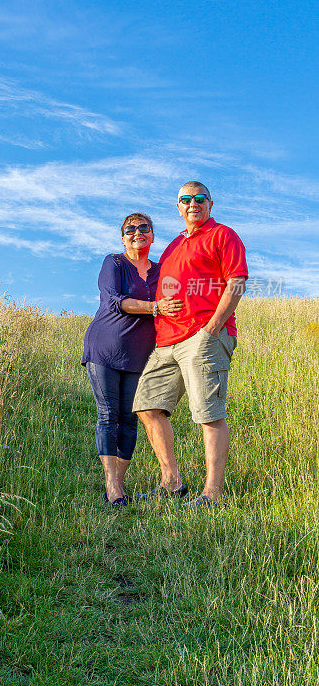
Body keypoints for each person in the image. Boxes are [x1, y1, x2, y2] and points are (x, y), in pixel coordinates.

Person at [133, 181, 248, 508]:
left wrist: (210, 330)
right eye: (186, 199)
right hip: (167, 341)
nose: (192, 203)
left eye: (199, 198)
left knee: (208, 413)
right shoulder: (173, 245)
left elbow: (236, 282)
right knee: (147, 405)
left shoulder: (223, 235)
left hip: (204, 337)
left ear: (210, 204)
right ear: (178, 206)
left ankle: (213, 494)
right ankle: (171, 483)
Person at [82, 213, 183, 507]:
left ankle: (120, 483)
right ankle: (113, 486)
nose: (137, 233)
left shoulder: (162, 271)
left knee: (130, 419)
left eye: (143, 228)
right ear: (122, 237)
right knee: (108, 415)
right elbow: (114, 300)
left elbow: (178, 300)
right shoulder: (113, 263)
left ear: (152, 235)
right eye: (130, 229)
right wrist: (155, 308)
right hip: (104, 349)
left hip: (140, 356)